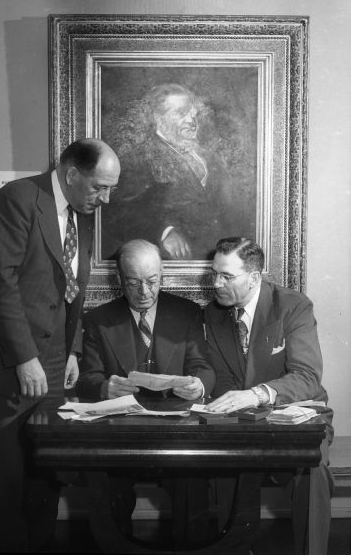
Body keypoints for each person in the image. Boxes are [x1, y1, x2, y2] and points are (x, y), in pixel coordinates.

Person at [0, 138, 120, 552]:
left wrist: (74, 348)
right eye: (100, 186)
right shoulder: (18, 198)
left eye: (111, 188)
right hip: (4, 364)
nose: (107, 198)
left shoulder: (84, 211)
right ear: (72, 174)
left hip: (56, 362)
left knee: (45, 476)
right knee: (4, 485)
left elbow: (72, 288)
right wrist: (25, 358)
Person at [78, 238, 215, 545]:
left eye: (152, 282)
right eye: (133, 283)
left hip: (176, 432)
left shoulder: (187, 313)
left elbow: (203, 366)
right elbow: (86, 378)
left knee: (192, 481)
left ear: (162, 275)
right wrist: (104, 386)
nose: (144, 293)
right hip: (120, 435)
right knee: (105, 484)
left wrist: (198, 385)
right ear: (119, 280)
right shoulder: (99, 321)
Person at [203, 236, 334, 555]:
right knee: (223, 465)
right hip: (241, 428)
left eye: (226, 276)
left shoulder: (292, 306)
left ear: (254, 277)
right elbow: (218, 381)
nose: (216, 283)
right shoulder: (213, 315)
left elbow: (306, 377)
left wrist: (256, 394)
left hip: (296, 421)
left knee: (313, 470)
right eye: (214, 274)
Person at [102, 83, 255, 260]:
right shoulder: (140, 158)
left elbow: (231, 208)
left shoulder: (210, 159)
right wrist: (164, 232)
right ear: (158, 119)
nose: (192, 120)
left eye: (193, 114)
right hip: (173, 260)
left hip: (217, 258)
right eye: (182, 113)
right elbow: (118, 213)